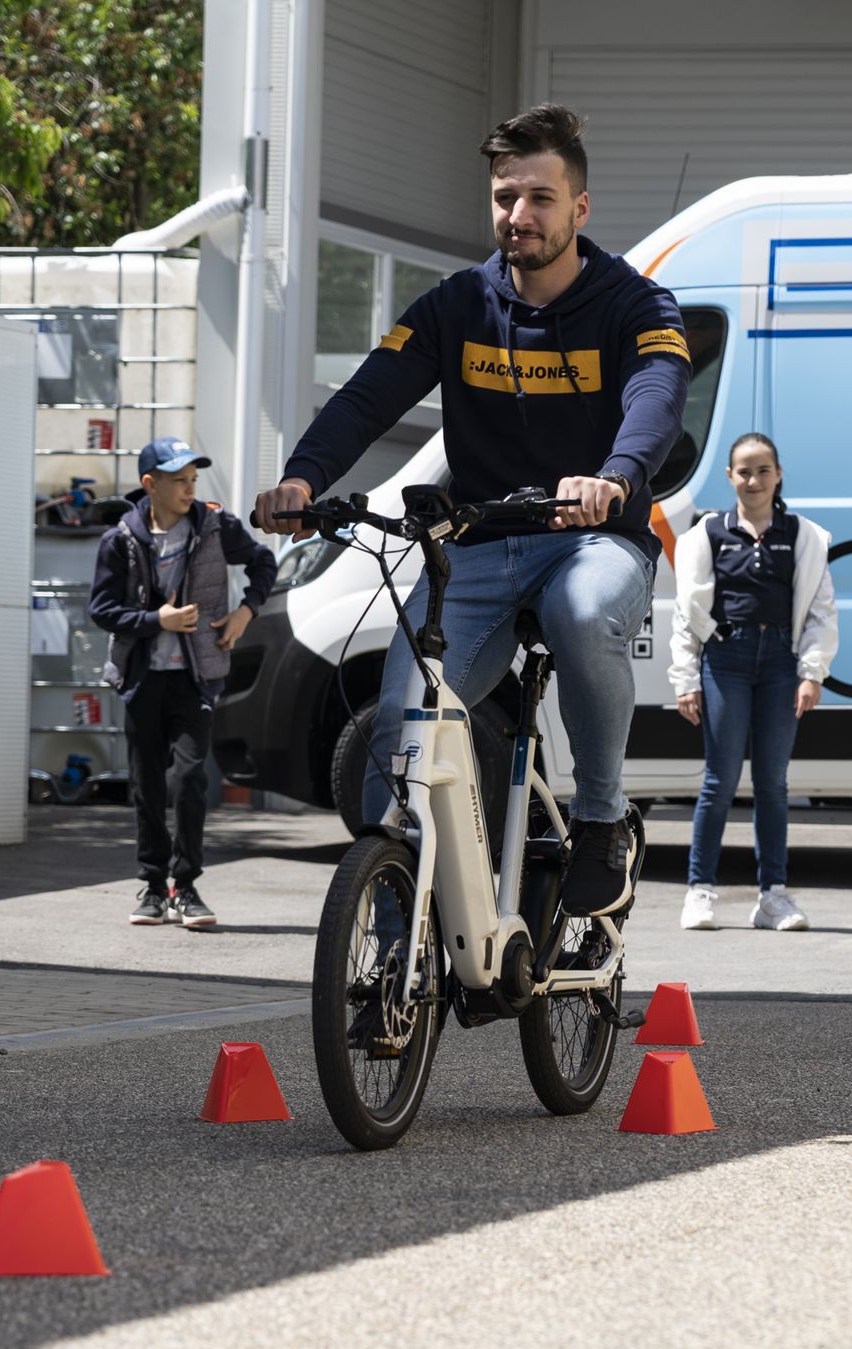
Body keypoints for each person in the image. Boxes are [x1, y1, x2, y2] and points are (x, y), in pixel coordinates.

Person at [255, 105, 689, 917]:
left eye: (540, 198)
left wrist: (616, 476)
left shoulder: (637, 305)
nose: (519, 214)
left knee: (582, 611)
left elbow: (657, 399)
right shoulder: (455, 306)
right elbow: (366, 399)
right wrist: (303, 480)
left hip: (591, 539)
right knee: (403, 718)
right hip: (478, 549)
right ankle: (395, 940)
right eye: (504, 197)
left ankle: (601, 820)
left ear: (579, 208)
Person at [91, 437, 275, 927]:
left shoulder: (215, 526)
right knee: (148, 785)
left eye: (193, 479)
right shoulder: (120, 540)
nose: (190, 489)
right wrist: (158, 621)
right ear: (150, 484)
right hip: (141, 680)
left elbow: (263, 562)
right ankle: (153, 887)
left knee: (190, 778)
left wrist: (245, 613)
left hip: (197, 678)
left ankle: (186, 886)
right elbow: (101, 609)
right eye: (179, 481)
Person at [669, 433, 838, 931]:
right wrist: (686, 680)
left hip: (782, 662)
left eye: (763, 470)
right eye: (744, 471)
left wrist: (812, 672)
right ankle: (700, 891)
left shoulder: (803, 535)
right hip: (726, 659)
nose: (754, 480)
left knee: (772, 784)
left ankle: (773, 897)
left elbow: (822, 610)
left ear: (778, 475)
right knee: (718, 781)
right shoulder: (707, 534)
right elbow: (687, 612)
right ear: (730, 476)